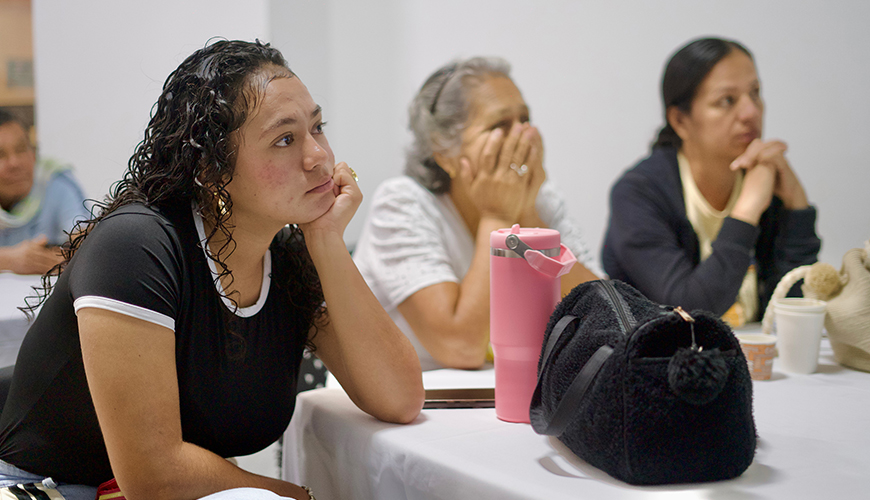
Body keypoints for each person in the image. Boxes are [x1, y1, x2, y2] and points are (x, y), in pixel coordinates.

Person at [0, 40, 424, 500]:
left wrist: (326, 241)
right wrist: (299, 495)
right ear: (212, 167)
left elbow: (398, 399)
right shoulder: (137, 246)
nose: (318, 155)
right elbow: (155, 473)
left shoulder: (286, 258)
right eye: (285, 139)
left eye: (317, 127)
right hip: (46, 488)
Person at [353, 57, 600, 371]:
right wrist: (497, 216)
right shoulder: (402, 204)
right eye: (500, 126)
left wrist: (528, 216)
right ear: (446, 155)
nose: (523, 137)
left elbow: (603, 315)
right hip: (416, 405)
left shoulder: (544, 200)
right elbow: (460, 346)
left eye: (525, 119)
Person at [602, 37, 821, 326]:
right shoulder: (638, 194)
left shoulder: (766, 180)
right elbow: (689, 311)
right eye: (727, 101)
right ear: (680, 121)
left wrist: (797, 207)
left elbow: (795, 310)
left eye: (755, 93)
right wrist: (746, 212)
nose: (751, 113)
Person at [0, 110, 89, 274]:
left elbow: (81, 234)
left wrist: (80, 245)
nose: (14, 163)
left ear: (34, 153)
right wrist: (11, 259)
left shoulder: (55, 183)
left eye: (21, 150)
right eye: (1, 155)